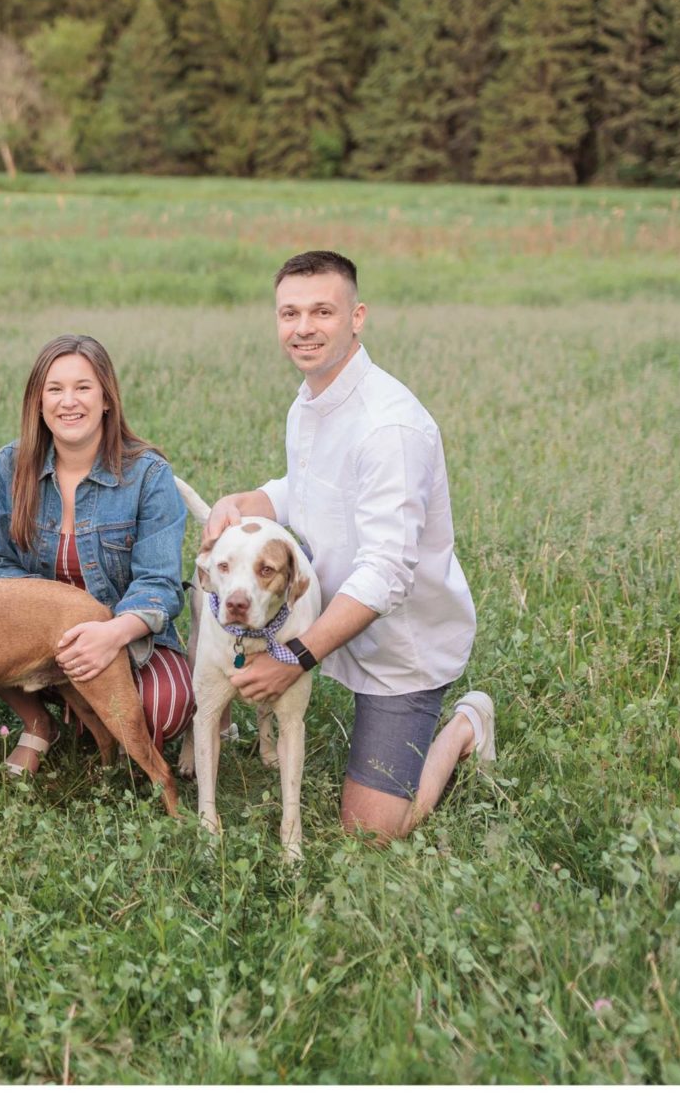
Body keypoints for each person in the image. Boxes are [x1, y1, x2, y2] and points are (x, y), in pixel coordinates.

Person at [202, 250, 493, 842]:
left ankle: (467, 723)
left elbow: (385, 574)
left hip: (395, 652)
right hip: (326, 622)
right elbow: (308, 490)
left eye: (321, 311)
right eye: (289, 313)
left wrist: (295, 658)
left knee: (370, 833)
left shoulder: (390, 427)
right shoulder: (310, 400)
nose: (303, 327)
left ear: (357, 317)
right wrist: (250, 499)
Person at [0, 335, 194, 773]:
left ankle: (95, 710)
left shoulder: (148, 474)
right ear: (38, 403)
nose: (68, 402)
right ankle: (40, 721)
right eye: (55, 389)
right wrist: (55, 625)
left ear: (107, 399)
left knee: (160, 713)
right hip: (38, 636)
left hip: (126, 636)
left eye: (83, 387)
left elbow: (160, 585)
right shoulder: (11, 465)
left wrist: (108, 635)